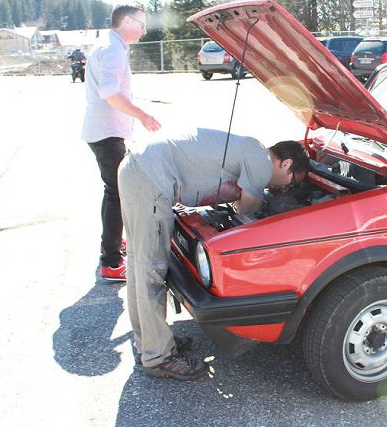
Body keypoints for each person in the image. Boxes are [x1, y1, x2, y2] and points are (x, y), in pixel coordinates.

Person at [118, 130, 309, 380]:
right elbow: (247, 215)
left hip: (139, 169)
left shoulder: (252, 147)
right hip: (151, 178)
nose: (285, 188)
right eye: (292, 182)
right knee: (150, 270)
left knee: (139, 265)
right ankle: (159, 357)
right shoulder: (262, 163)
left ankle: (150, 343)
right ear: (286, 163)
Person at [82, 5, 160, 281]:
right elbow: (109, 92)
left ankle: (112, 244)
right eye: (140, 23)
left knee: (114, 191)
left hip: (104, 131)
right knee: (117, 193)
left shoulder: (109, 45)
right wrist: (142, 115)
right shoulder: (113, 49)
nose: (143, 29)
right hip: (107, 132)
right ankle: (112, 261)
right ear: (126, 21)